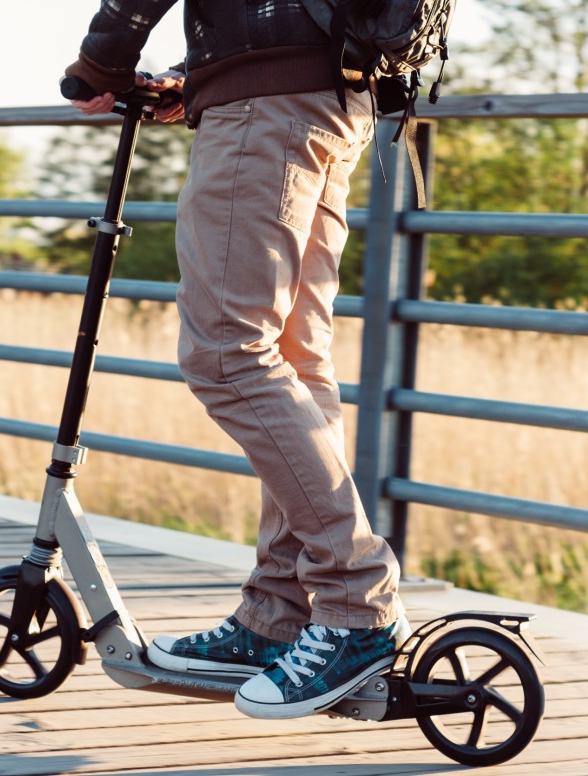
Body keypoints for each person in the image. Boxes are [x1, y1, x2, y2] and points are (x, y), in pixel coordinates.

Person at [65, 0, 408, 720]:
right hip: (331, 94)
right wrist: (200, 74)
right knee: (294, 360)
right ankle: (277, 614)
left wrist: (101, 64)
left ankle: (357, 601)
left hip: (267, 108)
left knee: (228, 353)